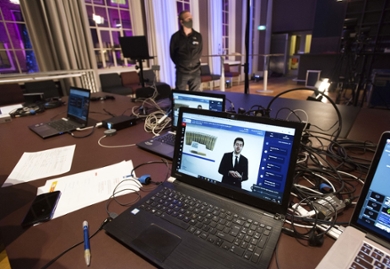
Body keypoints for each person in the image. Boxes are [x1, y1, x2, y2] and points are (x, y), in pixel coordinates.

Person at [170, 10, 203, 91]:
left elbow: (199, 51)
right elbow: (172, 54)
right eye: (188, 19)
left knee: (196, 96)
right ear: (182, 22)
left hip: (195, 71)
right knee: (180, 96)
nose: (191, 20)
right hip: (182, 72)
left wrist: (194, 62)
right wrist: (182, 63)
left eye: (191, 18)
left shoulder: (198, 36)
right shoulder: (175, 37)